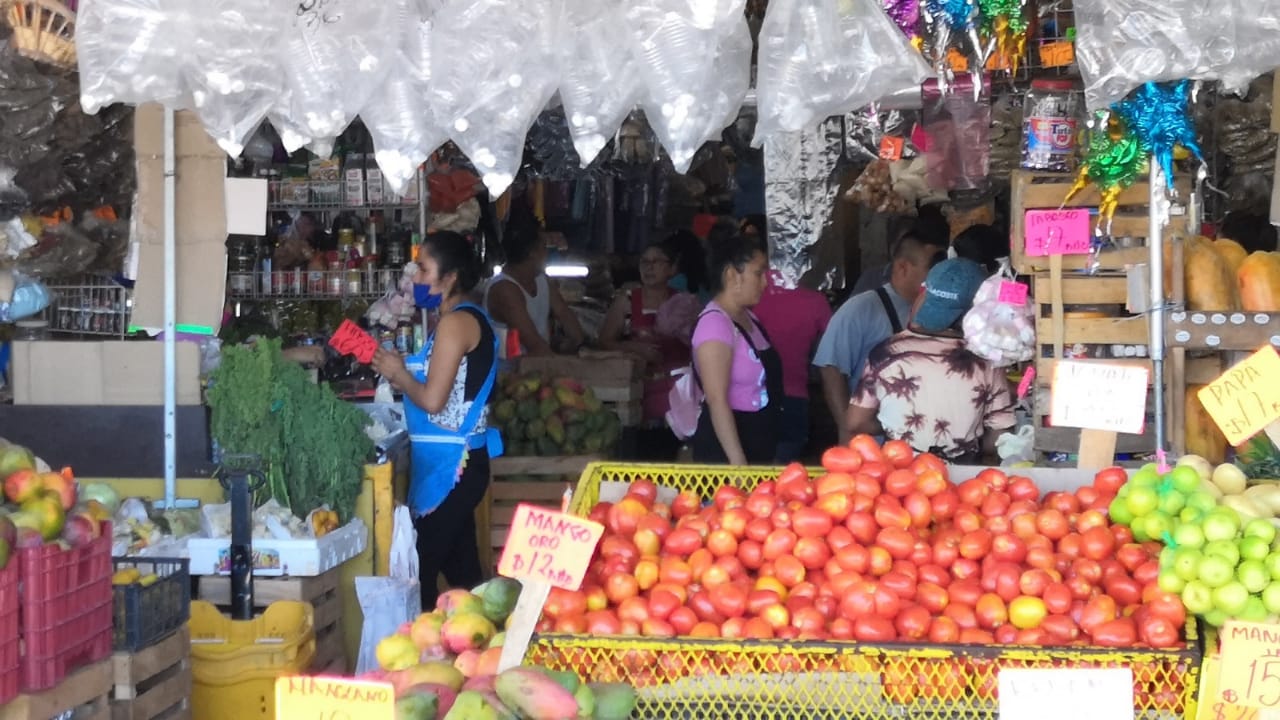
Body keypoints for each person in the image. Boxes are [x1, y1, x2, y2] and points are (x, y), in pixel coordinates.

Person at [371, 232, 503, 609]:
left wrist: (398, 373)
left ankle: (423, 652)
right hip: (446, 467)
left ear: (450, 277)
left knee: (422, 573)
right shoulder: (450, 322)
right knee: (466, 580)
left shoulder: (455, 324)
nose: (416, 279)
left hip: (453, 470)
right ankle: (492, 647)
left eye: (424, 270)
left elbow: (432, 399)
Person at [847, 258, 1015, 463]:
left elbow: (855, 423)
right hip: (962, 477)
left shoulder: (886, 353)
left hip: (899, 473)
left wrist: (895, 425)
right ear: (976, 310)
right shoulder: (986, 361)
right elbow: (998, 438)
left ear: (925, 294)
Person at [814, 230, 948, 443]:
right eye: (932, 269)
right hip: (872, 444)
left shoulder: (941, 314)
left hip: (924, 442)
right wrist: (847, 428)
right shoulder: (862, 308)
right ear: (903, 267)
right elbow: (831, 369)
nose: (938, 277)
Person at [598, 240, 699, 459]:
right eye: (644, 262)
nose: (649, 267)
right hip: (638, 394)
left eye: (656, 262)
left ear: (672, 269)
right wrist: (633, 347)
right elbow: (604, 341)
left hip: (677, 398)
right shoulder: (626, 302)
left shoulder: (684, 304)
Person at [690, 230, 782, 464]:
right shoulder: (715, 325)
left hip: (759, 444)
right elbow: (717, 399)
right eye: (758, 274)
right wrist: (738, 465)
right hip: (726, 456)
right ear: (732, 275)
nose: (764, 283)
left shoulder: (750, 319)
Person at [746, 215, 833, 463]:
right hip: (793, 397)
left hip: (750, 399)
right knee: (783, 482)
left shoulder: (750, 294)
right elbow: (828, 357)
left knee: (751, 482)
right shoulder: (816, 302)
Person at [483, 204, 586, 357]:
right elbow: (534, 344)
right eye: (544, 247)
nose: (547, 253)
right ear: (532, 253)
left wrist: (579, 344)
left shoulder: (542, 279)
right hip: (508, 374)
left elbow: (564, 313)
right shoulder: (505, 290)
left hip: (538, 368)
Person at [851, 205, 949, 295]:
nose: (904, 249)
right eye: (901, 244)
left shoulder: (932, 282)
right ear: (891, 247)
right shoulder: (871, 278)